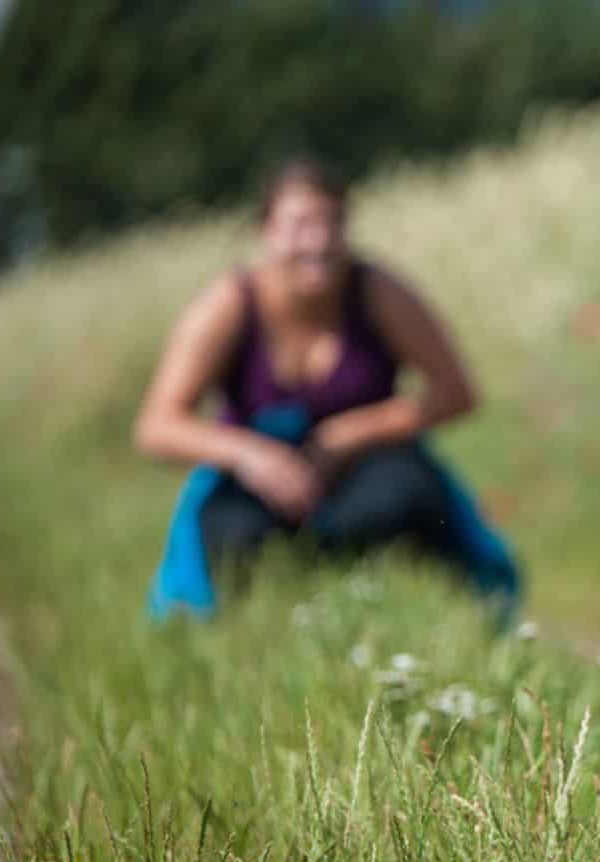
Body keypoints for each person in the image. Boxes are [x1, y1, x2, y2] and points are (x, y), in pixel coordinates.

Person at [135, 157, 519, 621]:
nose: (317, 241)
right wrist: (249, 455)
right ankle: (261, 631)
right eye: (299, 225)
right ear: (266, 232)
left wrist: (352, 433)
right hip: (256, 474)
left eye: (331, 223)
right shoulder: (229, 303)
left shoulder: (378, 291)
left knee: (410, 496)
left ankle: (436, 616)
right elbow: (157, 425)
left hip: (366, 468)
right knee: (230, 530)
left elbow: (456, 393)